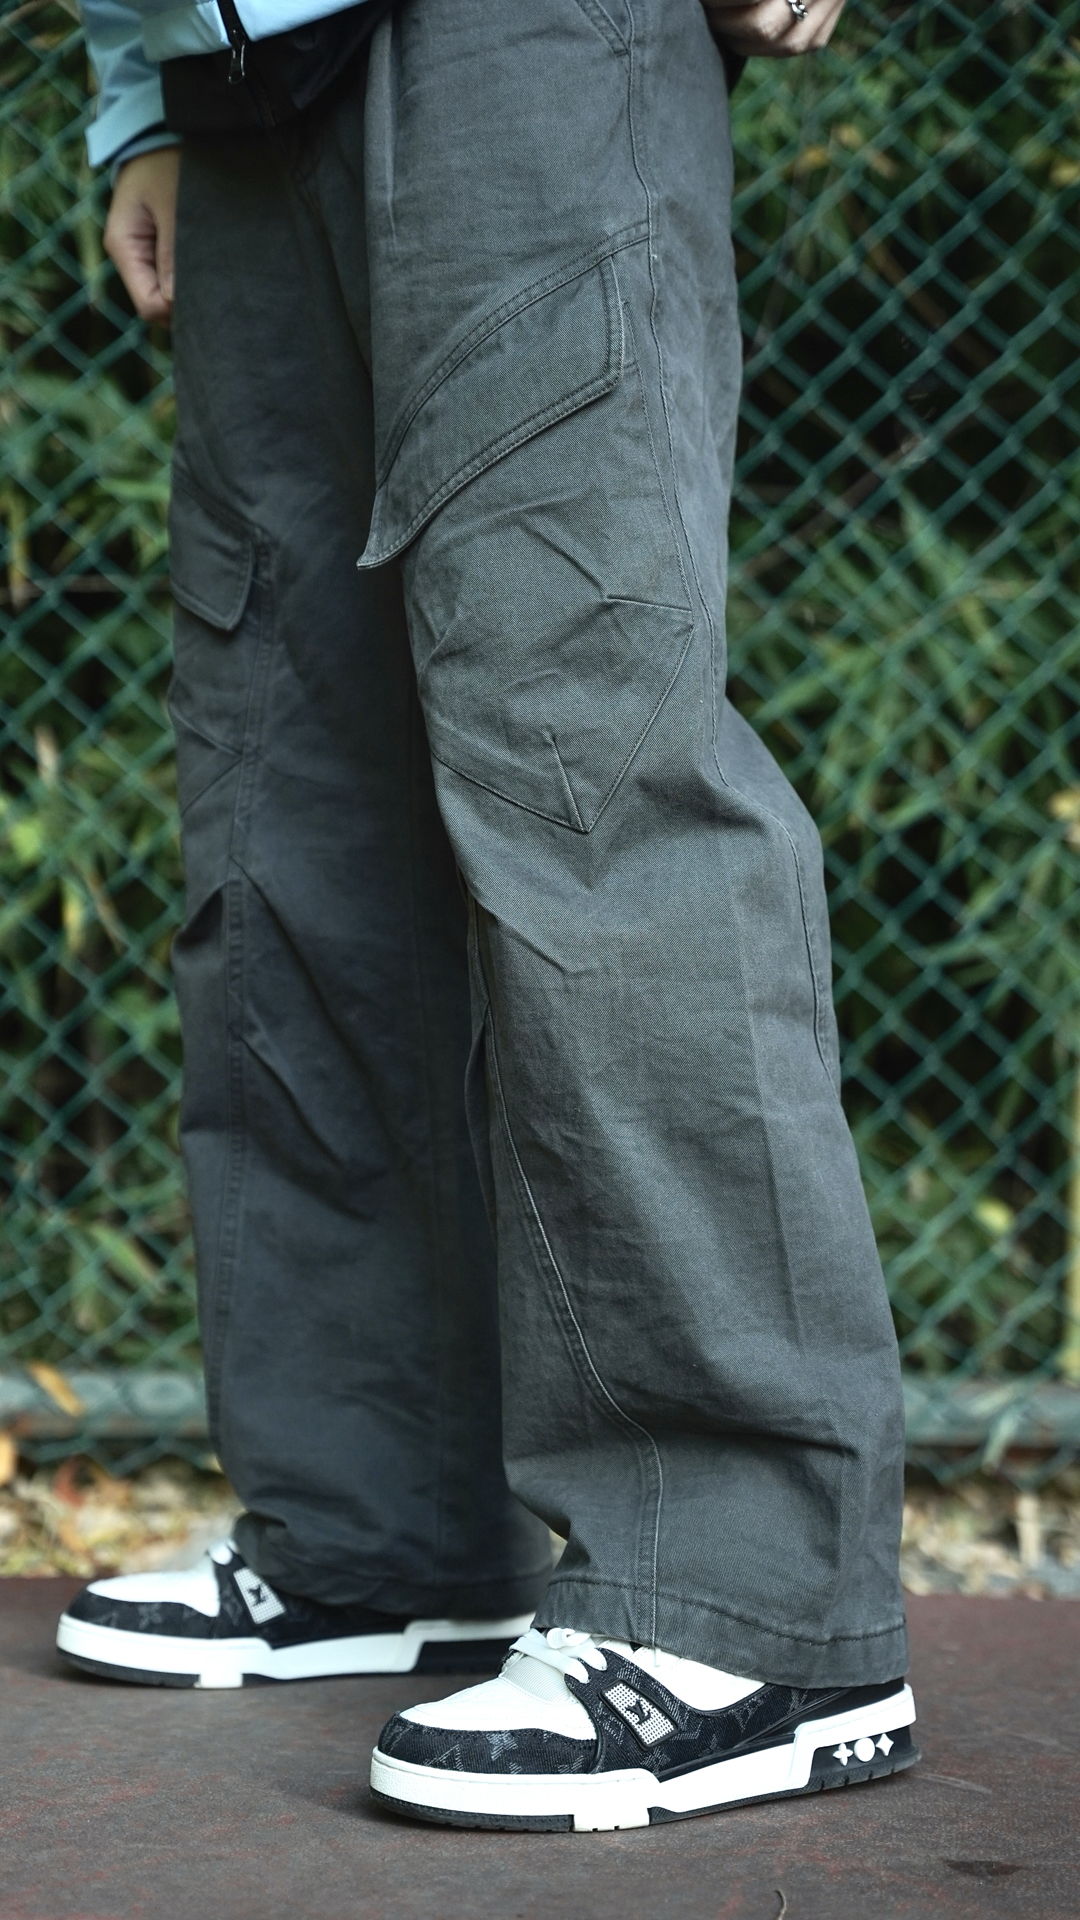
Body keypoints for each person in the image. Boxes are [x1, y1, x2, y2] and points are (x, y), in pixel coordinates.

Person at [56, 0, 919, 1831]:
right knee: (292, 819)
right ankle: (383, 1526)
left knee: (586, 762)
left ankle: (751, 1600)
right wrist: (142, 89)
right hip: (246, 75)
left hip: (520, 41)